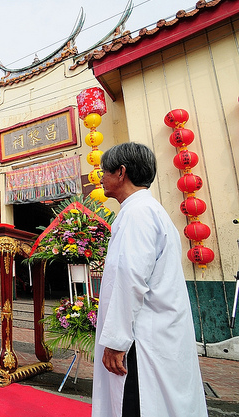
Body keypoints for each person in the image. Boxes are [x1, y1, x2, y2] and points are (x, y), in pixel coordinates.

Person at [92, 142, 207, 417]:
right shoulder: (147, 210)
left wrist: (117, 341)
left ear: (121, 172)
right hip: (155, 333)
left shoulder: (138, 213)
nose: (100, 178)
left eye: (103, 172)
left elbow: (130, 278)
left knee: (137, 404)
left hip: (141, 341)